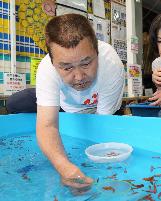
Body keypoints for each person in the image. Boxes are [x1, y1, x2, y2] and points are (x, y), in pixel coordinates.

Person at [35, 14, 125, 190]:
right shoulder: (46, 69)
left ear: (97, 52)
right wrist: (65, 168)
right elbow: (47, 126)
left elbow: (102, 124)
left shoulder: (111, 62)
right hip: (67, 107)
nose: (79, 77)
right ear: (53, 63)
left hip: (104, 110)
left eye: (86, 63)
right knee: (18, 102)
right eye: (67, 67)